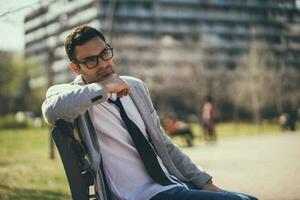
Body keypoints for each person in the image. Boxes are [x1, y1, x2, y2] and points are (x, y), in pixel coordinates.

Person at [42, 25, 258, 200]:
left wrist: (204, 182)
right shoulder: (73, 94)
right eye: (90, 60)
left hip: (171, 183)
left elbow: (163, 143)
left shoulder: (134, 87)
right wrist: (104, 88)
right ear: (75, 68)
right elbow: (52, 111)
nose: (103, 63)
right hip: (138, 194)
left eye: (105, 53)